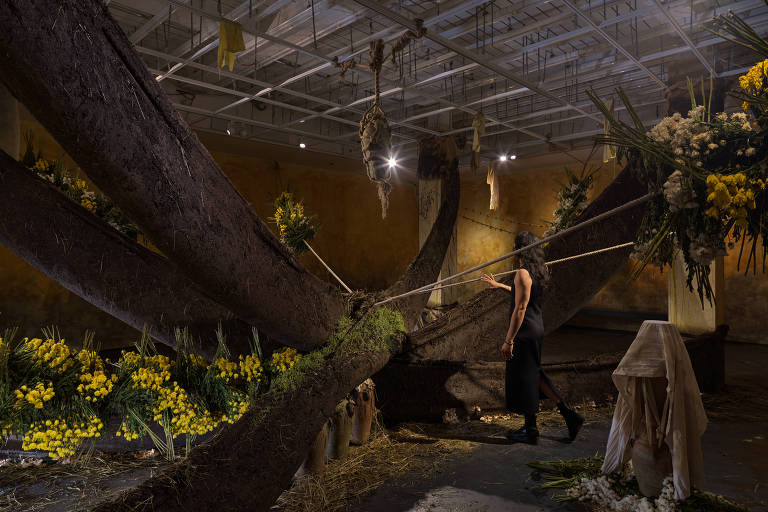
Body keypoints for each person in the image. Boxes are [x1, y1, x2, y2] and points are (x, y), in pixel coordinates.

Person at [481, 231, 584, 444]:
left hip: (524, 332)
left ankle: (531, 430)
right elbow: (523, 294)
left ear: (519, 250)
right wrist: (500, 286)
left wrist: (508, 340)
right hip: (536, 328)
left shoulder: (521, 273)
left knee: (527, 378)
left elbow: (520, 308)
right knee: (535, 375)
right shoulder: (539, 271)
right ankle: (568, 416)